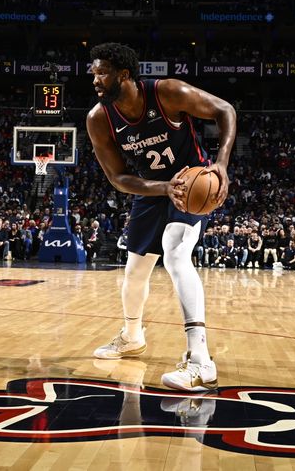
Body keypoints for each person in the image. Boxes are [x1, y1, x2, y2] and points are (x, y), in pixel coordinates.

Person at [86, 42, 236, 392]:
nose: (94, 79)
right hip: (154, 189)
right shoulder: (98, 118)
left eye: (102, 72)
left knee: (176, 252)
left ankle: (200, 360)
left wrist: (222, 164)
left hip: (192, 183)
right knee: (134, 272)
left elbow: (224, 110)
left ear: (124, 74)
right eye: (94, 72)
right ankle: (132, 335)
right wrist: (162, 187)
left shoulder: (166, 92)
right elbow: (117, 178)